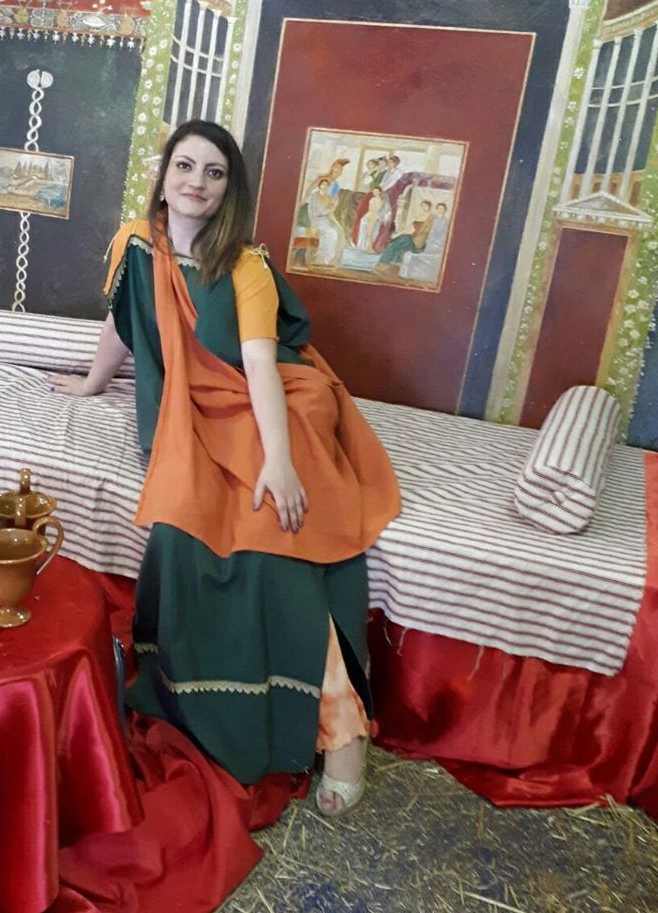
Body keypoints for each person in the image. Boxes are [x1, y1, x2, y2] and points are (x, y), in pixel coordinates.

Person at [51, 120, 401, 816]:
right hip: (187, 411)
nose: (197, 182)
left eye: (214, 172)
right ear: (164, 175)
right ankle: (228, 709)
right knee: (186, 523)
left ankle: (342, 727)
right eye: (185, 166)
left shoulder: (246, 266)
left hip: (273, 402)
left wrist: (281, 463)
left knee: (276, 523)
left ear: (229, 189)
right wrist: (93, 383)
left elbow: (264, 366)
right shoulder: (134, 245)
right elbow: (124, 321)